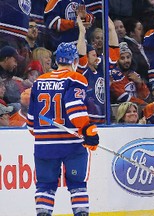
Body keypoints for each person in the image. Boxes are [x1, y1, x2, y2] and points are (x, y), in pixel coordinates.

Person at [26, 42, 100, 216]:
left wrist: (44, 136)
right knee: (77, 184)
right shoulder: (76, 78)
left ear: (56, 61)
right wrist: (87, 129)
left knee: (45, 185)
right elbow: (74, 107)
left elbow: (31, 122)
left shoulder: (39, 81)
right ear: (74, 61)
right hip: (71, 145)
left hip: (44, 145)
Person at [110, 42, 150, 106]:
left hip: (135, 111)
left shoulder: (135, 75)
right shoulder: (114, 76)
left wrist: (139, 83)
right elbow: (123, 97)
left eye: (128, 57)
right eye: (122, 58)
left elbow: (145, 96)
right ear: (117, 60)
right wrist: (144, 104)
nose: (126, 60)